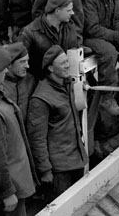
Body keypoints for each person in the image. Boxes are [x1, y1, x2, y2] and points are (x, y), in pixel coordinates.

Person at [27, 45, 88, 201]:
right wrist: (45, 170)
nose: (68, 65)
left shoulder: (67, 85)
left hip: (76, 161)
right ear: (50, 68)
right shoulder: (41, 98)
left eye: (67, 61)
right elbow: (37, 139)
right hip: (59, 170)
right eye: (63, 63)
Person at [0, 46, 36, 216]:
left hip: (14, 186)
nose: (6, 70)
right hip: (6, 196)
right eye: (3, 67)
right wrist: (6, 192)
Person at [2, 42, 36, 124]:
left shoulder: (30, 80)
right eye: (22, 62)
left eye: (27, 61)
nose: (27, 66)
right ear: (9, 64)